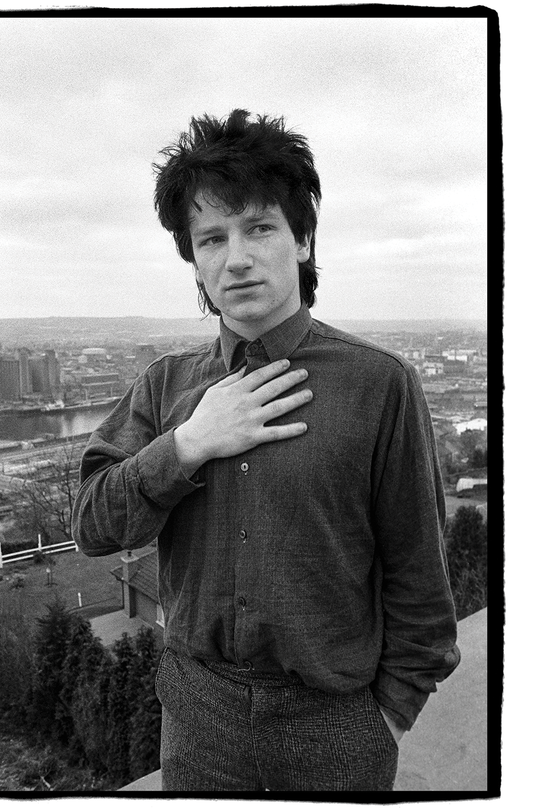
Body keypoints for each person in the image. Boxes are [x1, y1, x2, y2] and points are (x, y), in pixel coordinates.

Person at [72, 109, 460, 792]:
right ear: (194, 261)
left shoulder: (379, 384)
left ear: (303, 240)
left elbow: (419, 577)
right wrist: (188, 443)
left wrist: (388, 716)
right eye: (211, 237)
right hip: (197, 721)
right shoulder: (166, 385)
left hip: (336, 725)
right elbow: (94, 527)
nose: (238, 257)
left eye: (259, 227)